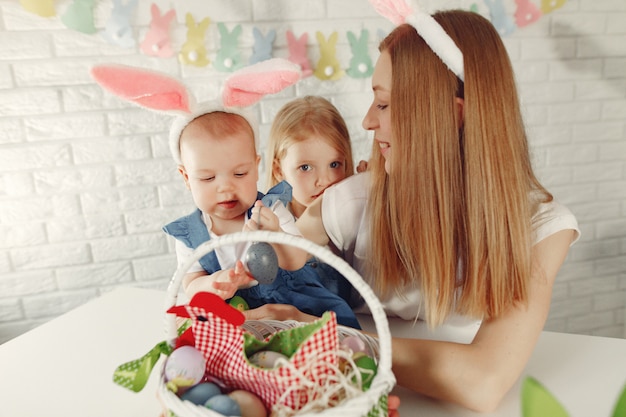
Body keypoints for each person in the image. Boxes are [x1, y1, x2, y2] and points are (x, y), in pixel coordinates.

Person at [243, 9, 581, 413]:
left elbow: (483, 381)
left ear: (454, 115)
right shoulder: (351, 201)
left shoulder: (542, 229)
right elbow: (278, 267)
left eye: (383, 104)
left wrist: (331, 338)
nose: (367, 121)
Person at [163, 108, 361, 328]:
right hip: (234, 311)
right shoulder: (188, 234)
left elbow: (297, 260)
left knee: (333, 330)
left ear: (256, 168)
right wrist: (213, 283)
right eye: (208, 178)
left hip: (291, 302)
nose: (226, 188)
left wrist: (275, 235)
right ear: (187, 178)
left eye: (240, 174)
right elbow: (191, 285)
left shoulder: (270, 209)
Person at [264, 95, 362, 307]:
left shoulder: (351, 210)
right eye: (305, 168)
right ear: (278, 170)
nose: (324, 181)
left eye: (335, 164)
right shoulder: (272, 220)